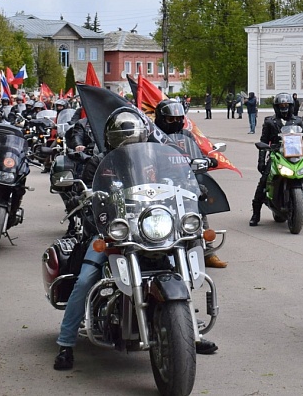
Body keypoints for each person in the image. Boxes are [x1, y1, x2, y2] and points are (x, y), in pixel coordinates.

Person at [54, 107, 219, 371]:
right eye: (121, 137)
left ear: (142, 136)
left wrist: (192, 187)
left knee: (182, 268)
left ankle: (188, 334)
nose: (127, 142)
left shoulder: (155, 158)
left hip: (152, 226)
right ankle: (66, 343)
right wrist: (80, 196)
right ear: (110, 139)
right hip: (114, 231)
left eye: (131, 136)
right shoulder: (100, 163)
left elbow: (178, 180)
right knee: (85, 279)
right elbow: (87, 191)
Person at [154, 99, 227, 269]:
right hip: (159, 180)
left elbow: (197, 151)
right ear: (161, 118)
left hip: (184, 179)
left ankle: (208, 252)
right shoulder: (153, 135)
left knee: (199, 209)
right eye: (171, 119)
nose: (176, 122)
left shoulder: (186, 135)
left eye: (179, 118)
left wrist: (208, 160)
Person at [249, 93, 303, 226]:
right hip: (276, 154)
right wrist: (261, 161)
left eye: (286, 105)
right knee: (263, 182)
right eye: (281, 106)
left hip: (295, 155)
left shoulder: (297, 121)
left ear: (291, 106)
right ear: (276, 107)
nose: (283, 108)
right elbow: (263, 141)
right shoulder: (269, 121)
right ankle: (256, 214)